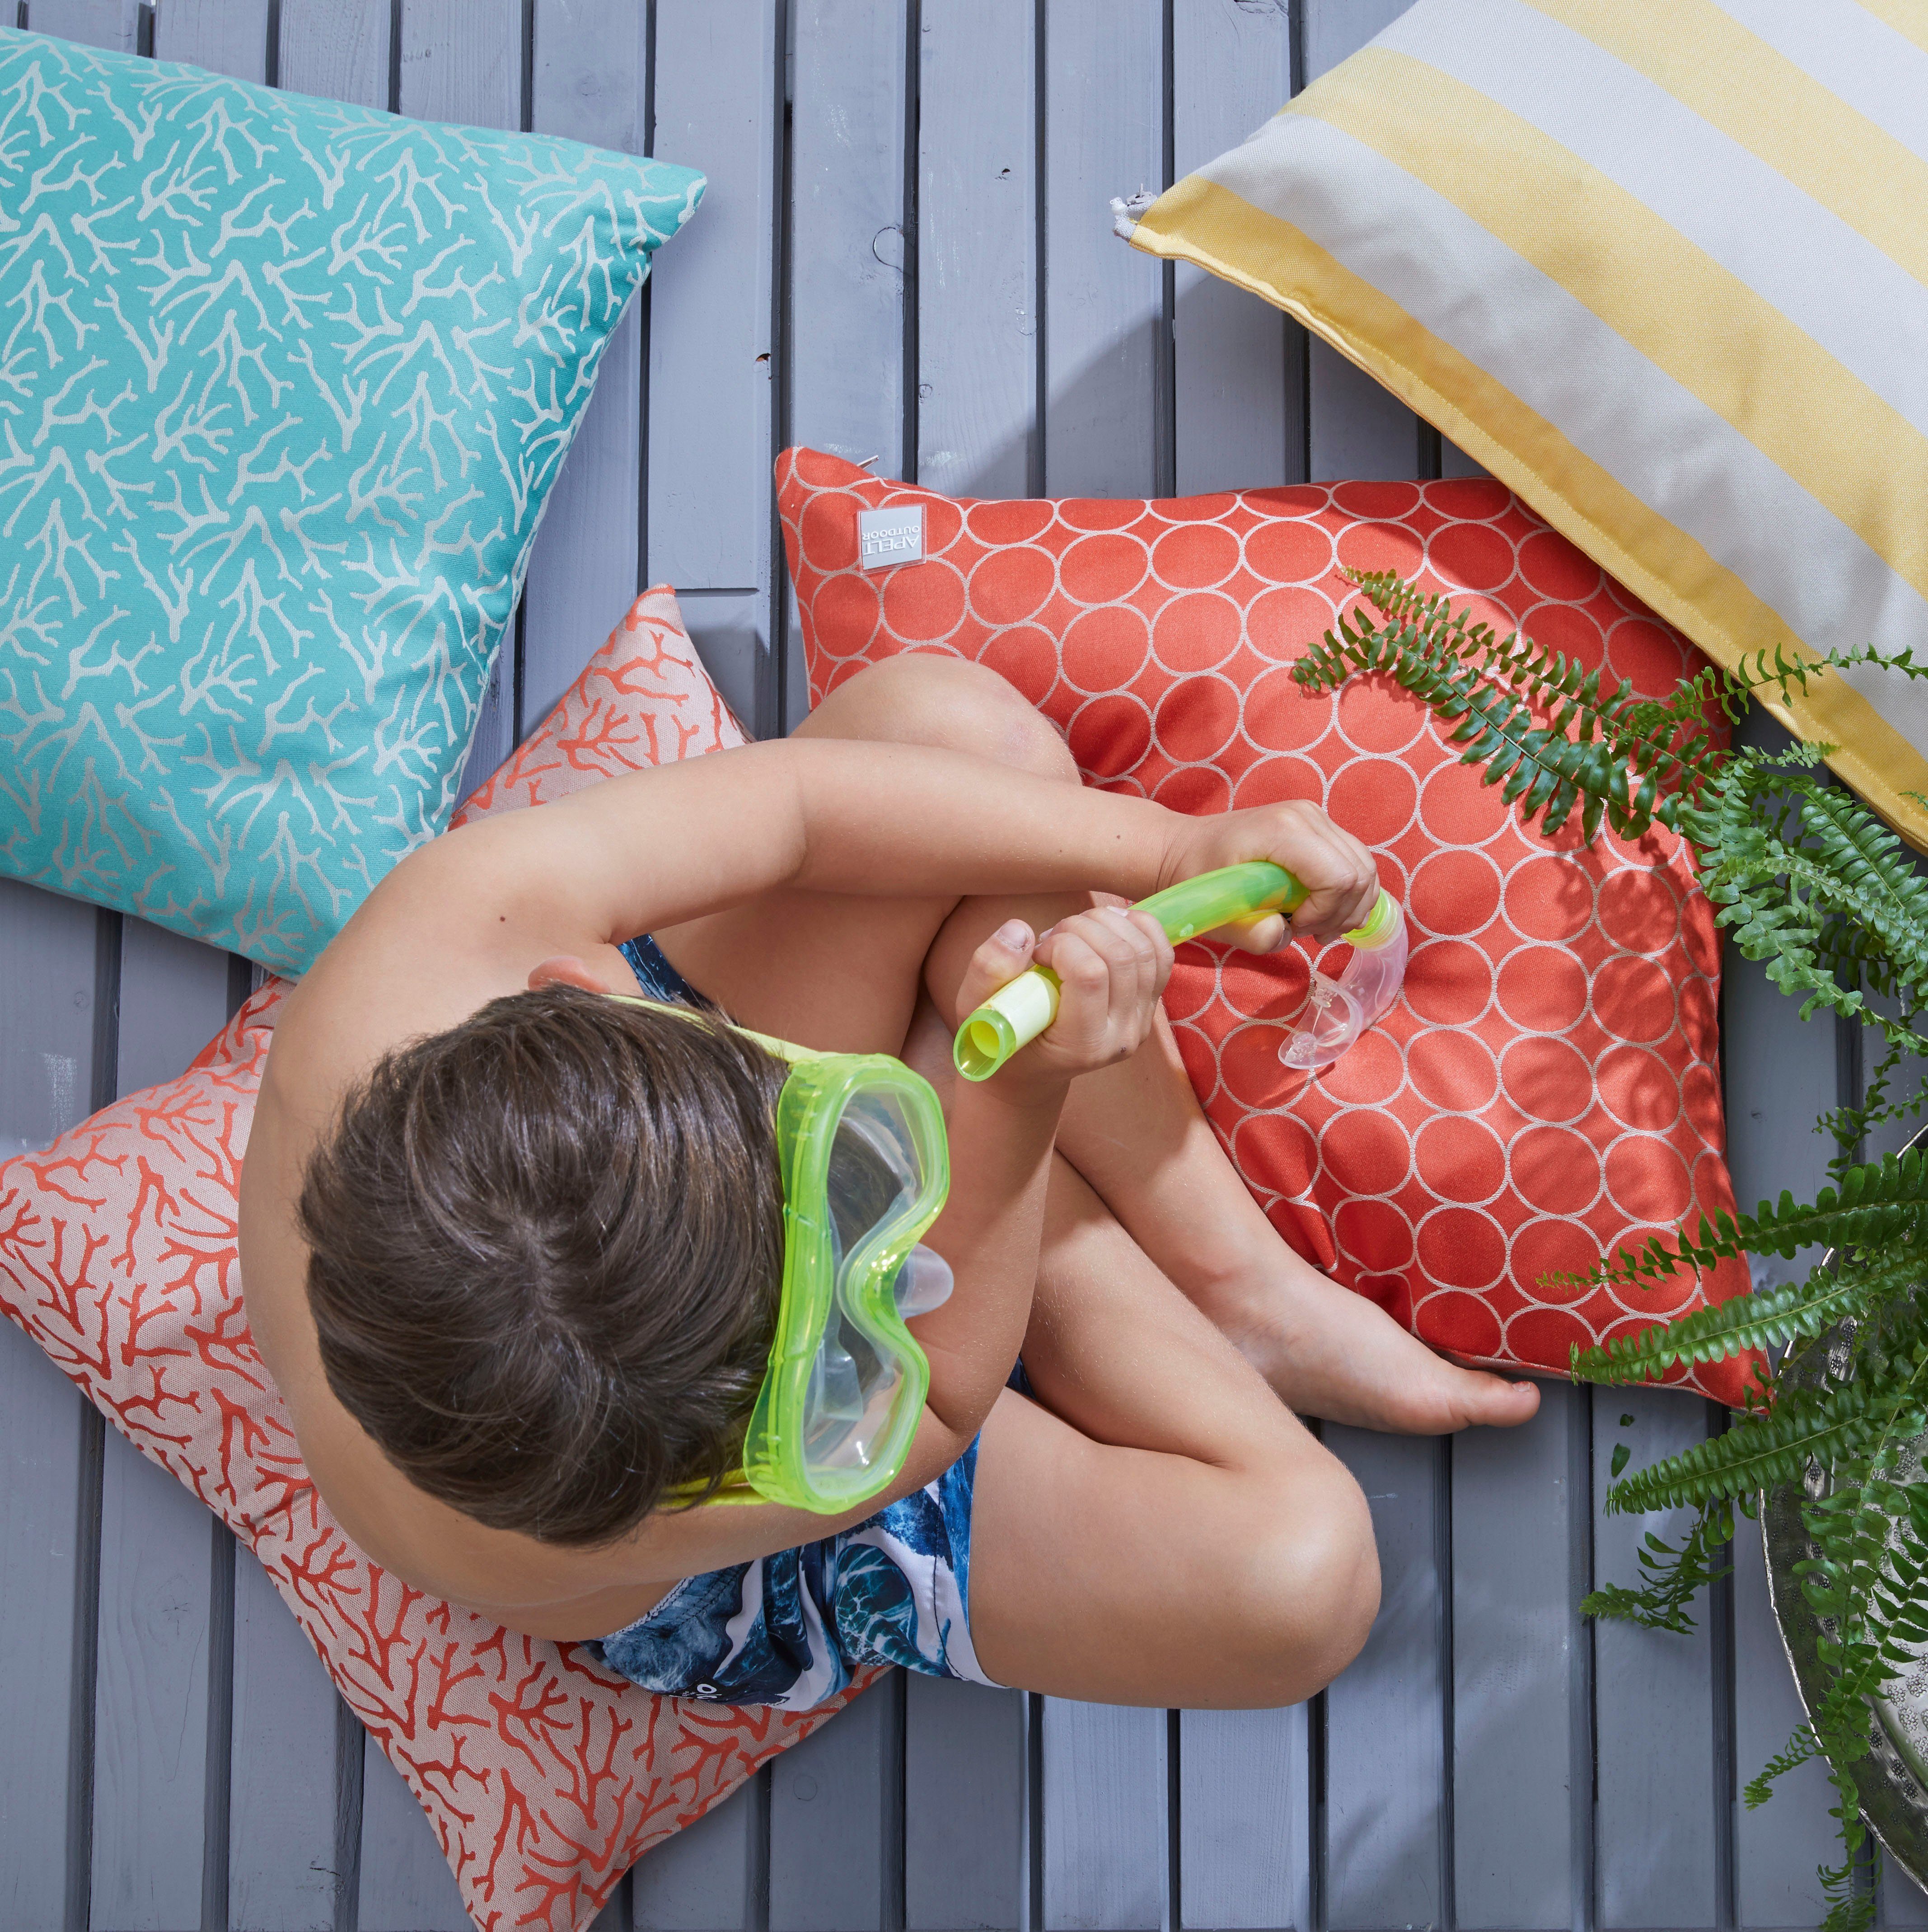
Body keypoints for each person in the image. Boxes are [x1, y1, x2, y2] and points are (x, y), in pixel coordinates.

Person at [239, 654, 1539, 1712]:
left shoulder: (457, 924)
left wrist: (1168, 845)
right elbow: (938, 1398)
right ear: (781, 1411)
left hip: (642, 1248)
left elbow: (805, 810)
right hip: (719, 1460)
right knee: (1298, 1582)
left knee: (951, 732)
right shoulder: (588, 1497)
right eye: (848, 1248)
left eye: (813, 1135)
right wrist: (1013, 1098)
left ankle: (1232, 1279)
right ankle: (1080, 1242)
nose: (872, 1235)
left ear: (584, 992)